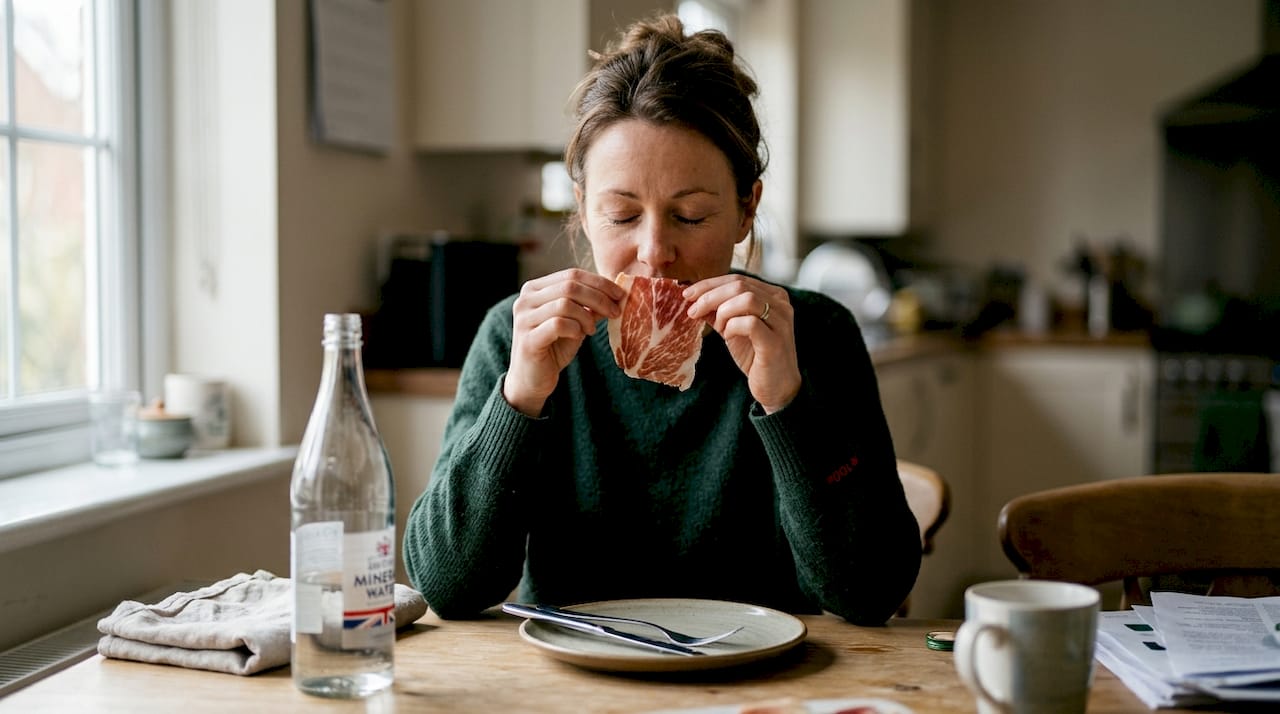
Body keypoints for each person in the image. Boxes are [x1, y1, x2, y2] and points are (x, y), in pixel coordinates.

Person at [402, 13, 920, 626]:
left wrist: (787, 401)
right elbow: (448, 585)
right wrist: (520, 399)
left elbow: (871, 590)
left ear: (746, 209)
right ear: (583, 209)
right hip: (578, 683)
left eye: (693, 216)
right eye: (621, 216)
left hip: (764, 681)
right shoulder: (516, 336)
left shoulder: (815, 334)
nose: (654, 252)